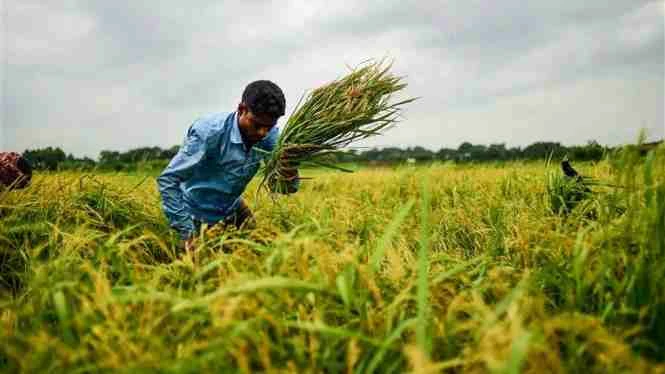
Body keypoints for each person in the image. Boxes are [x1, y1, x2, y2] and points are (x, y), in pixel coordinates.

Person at [157, 80, 299, 250]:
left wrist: (288, 168)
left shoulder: (271, 136)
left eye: (269, 126)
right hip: (194, 213)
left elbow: (280, 188)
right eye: (257, 125)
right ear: (241, 109)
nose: (263, 133)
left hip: (232, 208)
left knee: (262, 253)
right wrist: (187, 233)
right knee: (197, 270)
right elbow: (168, 180)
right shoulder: (208, 132)